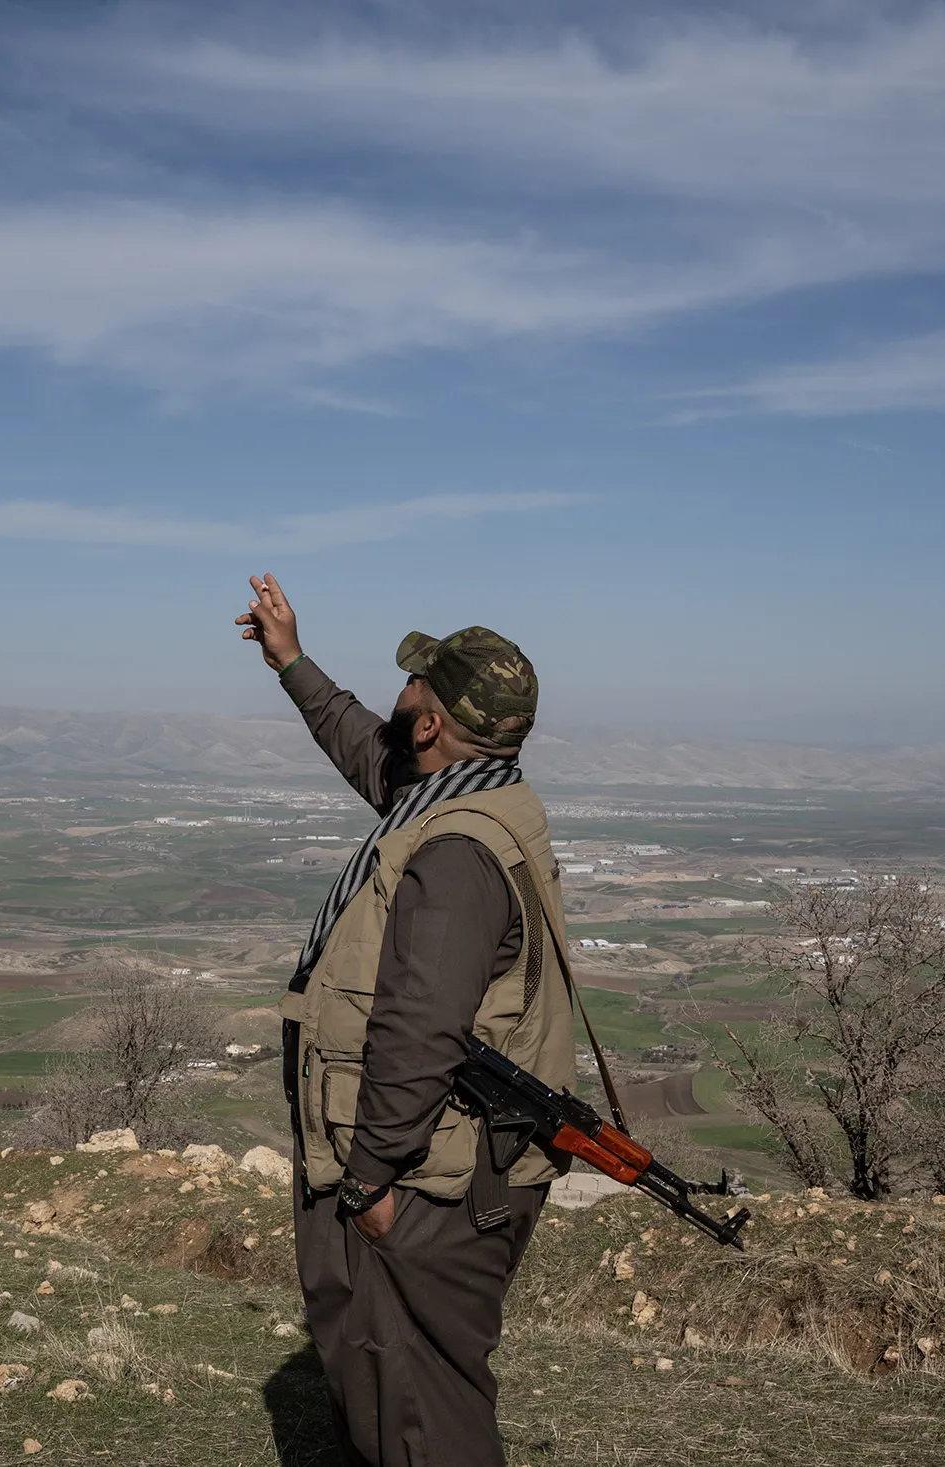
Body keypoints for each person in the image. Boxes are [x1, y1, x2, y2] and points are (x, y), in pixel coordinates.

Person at [234, 573, 579, 1467]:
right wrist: (292, 662)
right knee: (389, 1393)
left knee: (417, 1411)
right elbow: (370, 751)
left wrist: (370, 1181)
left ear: (430, 722)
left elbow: (419, 1030)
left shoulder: (457, 850)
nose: (400, 694)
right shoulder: (469, 794)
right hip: (435, 1171)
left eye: (414, 685)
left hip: (423, 1185)